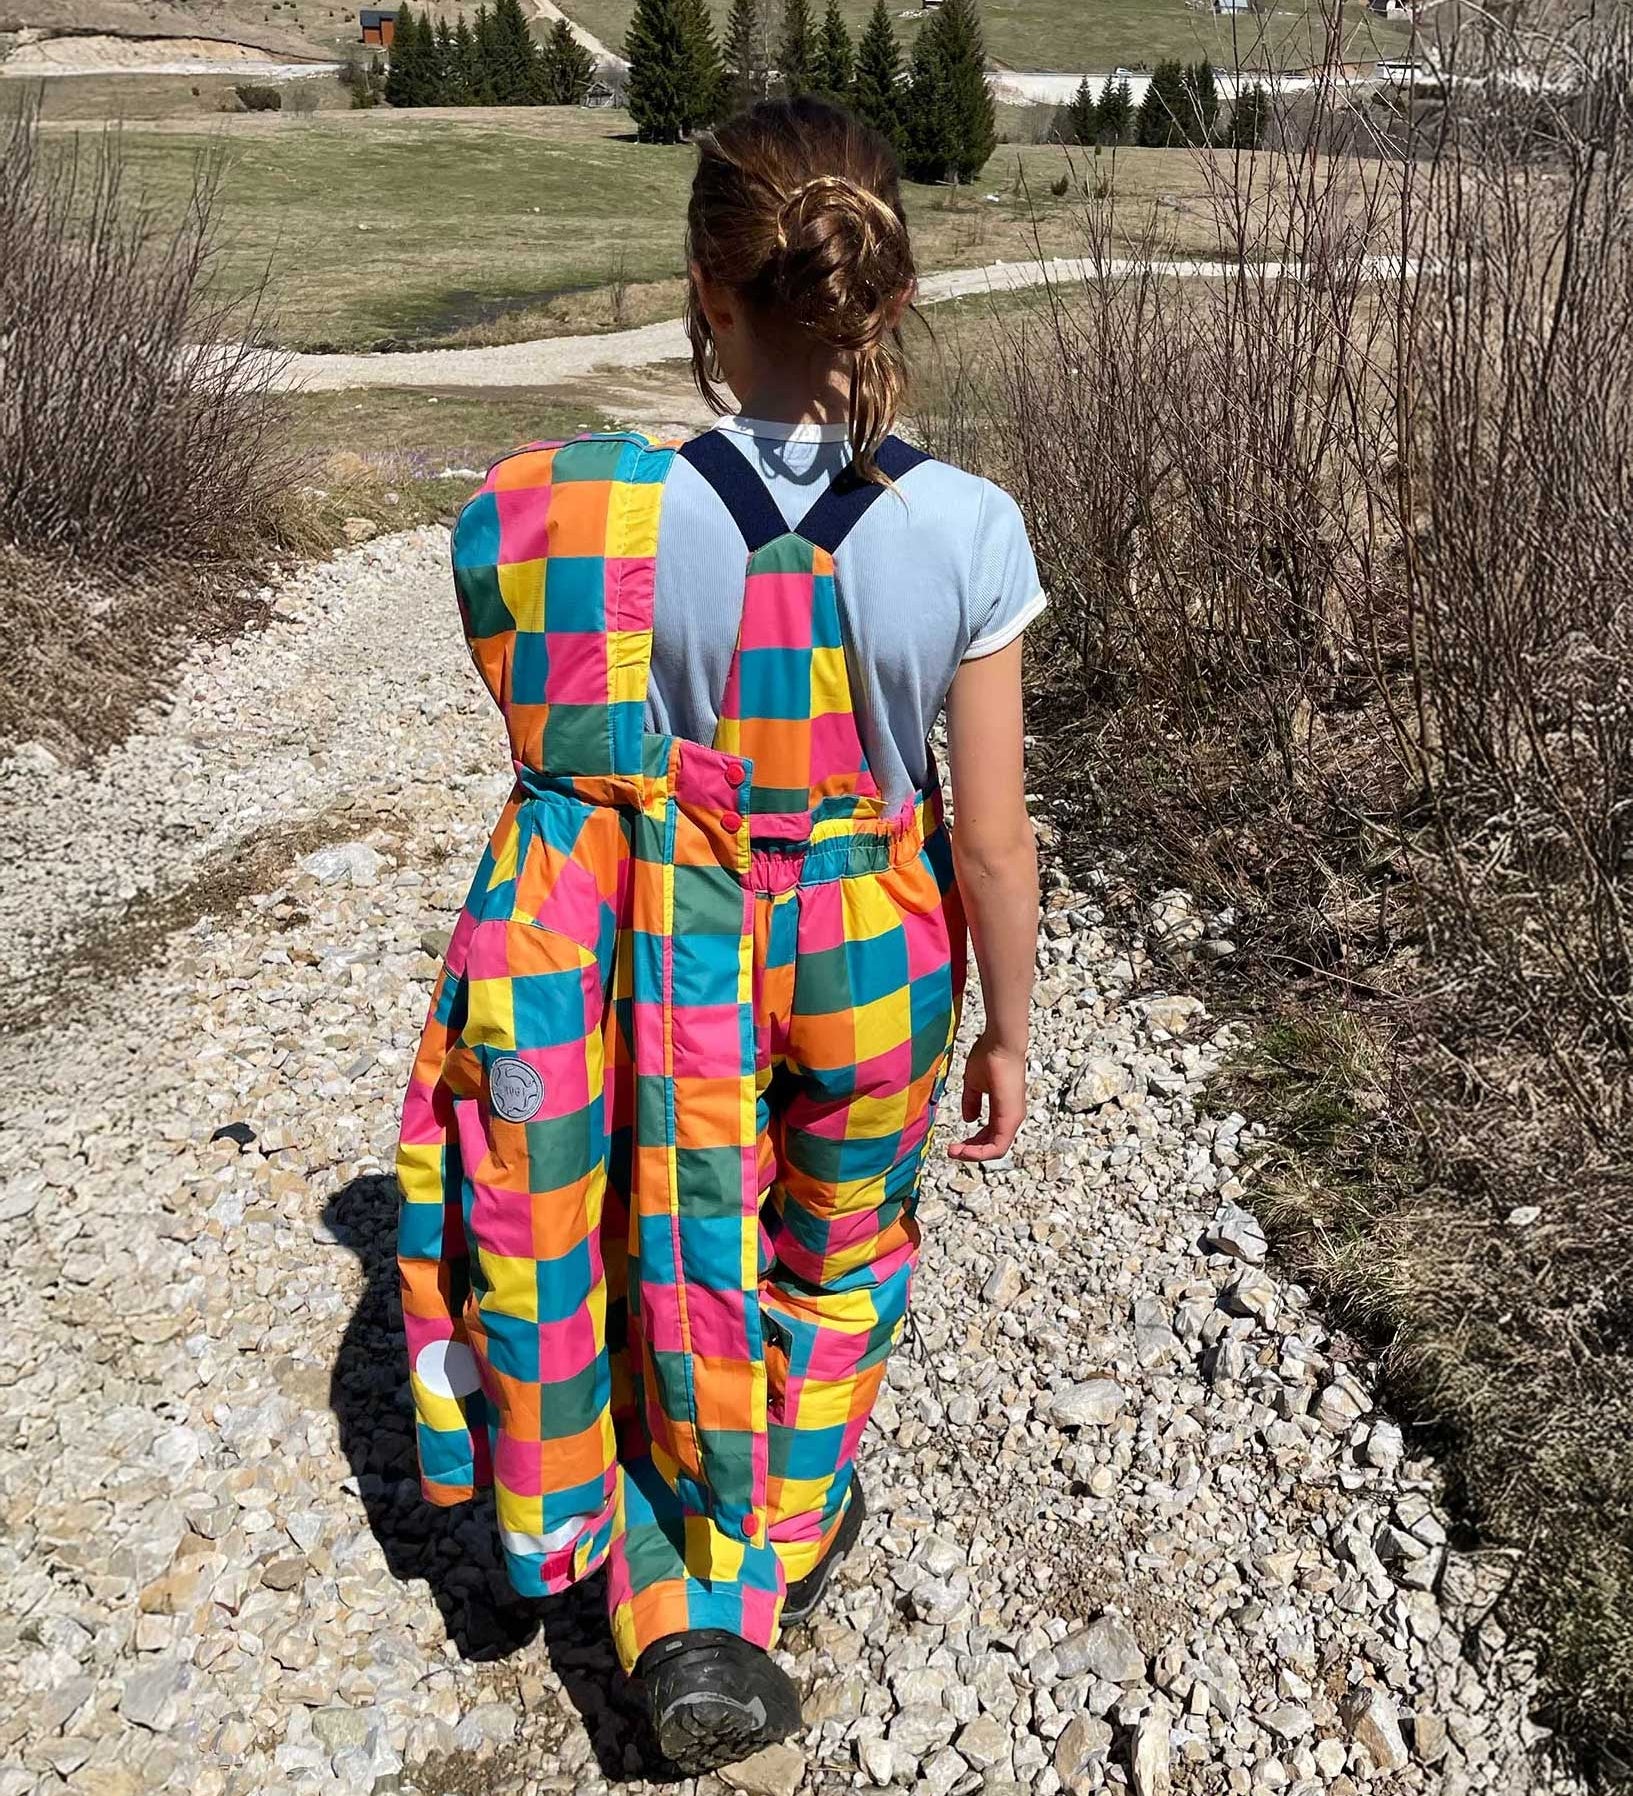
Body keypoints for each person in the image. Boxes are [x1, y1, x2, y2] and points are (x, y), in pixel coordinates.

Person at [395, 96, 1043, 1773]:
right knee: (835, 1253)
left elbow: (558, 769)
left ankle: (674, 1587)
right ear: (888, 288)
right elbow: (986, 834)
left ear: (705, 286)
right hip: (871, 946)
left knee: (647, 1246)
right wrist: (1009, 1028)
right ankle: (778, 1522)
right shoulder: (966, 527)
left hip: (657, 944)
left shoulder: (580, 513)